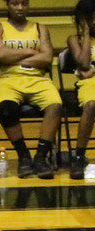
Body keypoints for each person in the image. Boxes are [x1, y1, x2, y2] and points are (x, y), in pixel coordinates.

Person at [0, 0, 62, 178]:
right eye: (15, 3)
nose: (20, 8)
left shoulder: (40, 28)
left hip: (38, 79)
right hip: (8, 79)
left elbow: (46, 59)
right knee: (6, 109)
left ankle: (40, 157)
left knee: (56, 105)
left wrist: (12, 57)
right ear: (7, 5)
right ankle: (24, 156)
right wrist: (31, 51)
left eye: (24, 3)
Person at [67, 0, 95, 178]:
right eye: (90, 19)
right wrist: (85, 33)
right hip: (89, 84)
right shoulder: (74, 39)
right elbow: (84, 63)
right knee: (92, 105)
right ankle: (79, 155)